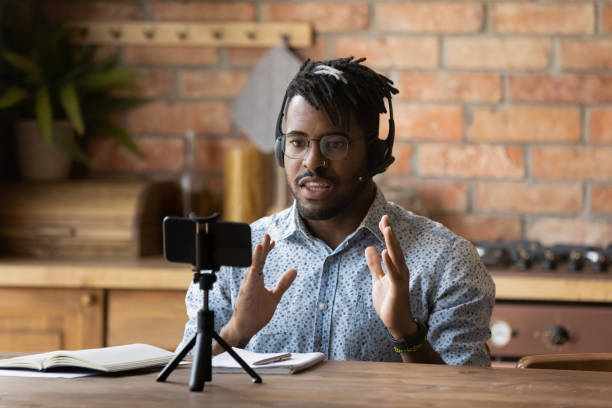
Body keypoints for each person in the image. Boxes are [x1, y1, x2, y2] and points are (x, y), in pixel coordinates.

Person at [178, 57, 495, 366]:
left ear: (374, 154)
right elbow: (185, 376)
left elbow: (468, 394)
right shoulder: (235, 255)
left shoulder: (445, 259)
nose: (312, 162)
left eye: (334, 144)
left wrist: (406, 333)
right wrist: (236, 332)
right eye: (298, 142)